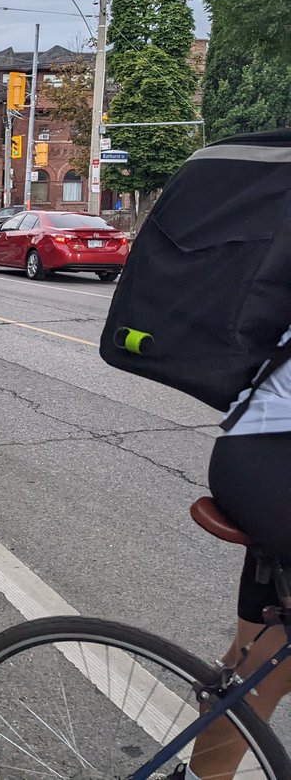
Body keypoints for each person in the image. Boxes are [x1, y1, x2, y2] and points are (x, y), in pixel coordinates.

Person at [178, 328, 291, 780]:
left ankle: (231, 683)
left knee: (264, 663)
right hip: (272, 455)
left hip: (268, 451)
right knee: (267, 669)